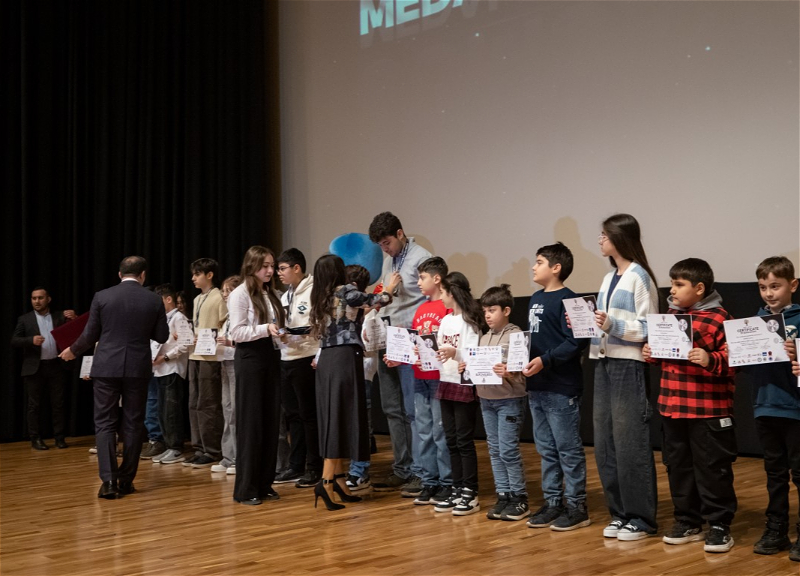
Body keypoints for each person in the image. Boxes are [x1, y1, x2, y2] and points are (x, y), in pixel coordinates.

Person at [642, 258, 737, 553]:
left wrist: (712, 359)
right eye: (672, 283)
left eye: (679, 284)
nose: (672, 289)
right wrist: (651, 352)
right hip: (672, 405)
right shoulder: (669, 318)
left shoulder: (720, 319)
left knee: (712, 468)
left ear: (699, 288)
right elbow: (665, 355)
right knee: (678, 465)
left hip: (707, 409)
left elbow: (737, 360)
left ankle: (719, 524)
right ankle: (687, 519)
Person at [59, 256, 168, 498]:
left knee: (105, 422)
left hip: (107, 366)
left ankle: (108, 481)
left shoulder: (103, 296)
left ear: (120, 274)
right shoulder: (153, 300)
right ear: (143, 275)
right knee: (132, 423)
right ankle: (126, 480)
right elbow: (162, 336)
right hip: (138, 369)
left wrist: (72, 351)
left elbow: (90, 334)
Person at [590, 214, 660, 540]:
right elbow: (604, 323)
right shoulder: (608, 279)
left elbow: (650, 328)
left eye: (604, 235)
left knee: (630, 442)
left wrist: (612, 326)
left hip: (628, 365)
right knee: (605, 443)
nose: (600, 240)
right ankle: (618, 513)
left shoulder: (639, 277)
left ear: (619, 237)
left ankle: (641, 518)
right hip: (604, 364)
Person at [309, 254, 391, 510]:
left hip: (327, 361)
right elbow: (379, 300)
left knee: (333, 417)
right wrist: (390, 287)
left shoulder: (319, 296)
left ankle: (339, 480)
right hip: (345, 357)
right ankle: (325, 481)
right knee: (342, 417)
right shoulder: (345, 291)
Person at [523, 242, 590, 531]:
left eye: (539, 261)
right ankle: (553, 502)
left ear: (556, 267)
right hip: (536, 386)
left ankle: (577, 506)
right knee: (546, 449)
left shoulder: (572, 301)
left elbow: (577, 342)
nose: (534, 267)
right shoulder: (535, 297)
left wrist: (545, 360)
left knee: (568, 449)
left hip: (561, 386)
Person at [368, 212, 431, 495]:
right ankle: (402, 468)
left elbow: (431, 296)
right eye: (381, 245)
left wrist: (390, 293)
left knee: (411, 409)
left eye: (387, 242)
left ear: (400, 233)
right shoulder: (388, 258)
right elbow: (386, 291)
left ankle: (420, 471)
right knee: (392, 408)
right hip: (388, 336)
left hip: (411, 337)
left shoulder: (421, 257)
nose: (385, 248)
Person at [746, 256, 800, 560]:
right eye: (763, 287)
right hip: (764, 406)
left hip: (794, 408)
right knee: (774, 473)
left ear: (792, 285)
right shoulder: (754, 323)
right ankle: (776, 529)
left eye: (775, 286)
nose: (769, 293)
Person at [227, 246, 286, 505]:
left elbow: (274, 328)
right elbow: (236, 333)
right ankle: (246, 488)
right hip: (250, 359)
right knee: (251, 423)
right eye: (265, 266)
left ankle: (264, 482)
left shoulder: (270, 292)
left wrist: (284, 333)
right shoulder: (240, 294)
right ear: (252, 265)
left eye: (272, 265)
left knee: (270, 422)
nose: (270, 271)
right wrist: (265, 328)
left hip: (271, 358)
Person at [432, 272, 483, 516]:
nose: (440, 296)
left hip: (464, 384)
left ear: (451, 293)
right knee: (450, 439)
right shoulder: (445, 321)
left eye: (442, 292)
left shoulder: (469, 321)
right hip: (446, 380)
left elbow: (475, 355)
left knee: (464, 440)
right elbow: (440, 350)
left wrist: (457, 354)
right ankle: (457, 487)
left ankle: (470, 493)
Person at [476, 284, 528, 521]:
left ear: (506, 310)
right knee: (495, 450)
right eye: (485, 310)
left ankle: (519, 497)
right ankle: (503, 494)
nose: (487, 315)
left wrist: (510, 371)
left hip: (509, 400)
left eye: (492, 310)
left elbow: (522, 371)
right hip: (487, 399)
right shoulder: (484, 336)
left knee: (508, 450)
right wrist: (469, 368)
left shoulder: (516, 336)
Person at [407, 257, 452, 507]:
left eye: (422, 277)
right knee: (423, 430)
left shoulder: (445, 307)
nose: (418, 282)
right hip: (419, 375)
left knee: (439, 430)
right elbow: (416, 340)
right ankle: (429, 480)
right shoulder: (421, 308)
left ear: (437, 278)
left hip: (438, 377)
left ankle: (447, 481)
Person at [275, 248, 321, 488]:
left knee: (309, 415)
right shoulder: (285, 295)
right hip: (286, 357)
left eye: (282, 268)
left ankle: (315, 467)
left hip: (306, 357)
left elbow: (315, 326)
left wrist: (290, 332)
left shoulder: (314, 290)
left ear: (296, 268)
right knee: (292, 415)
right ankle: (296, 465)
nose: (278, 273)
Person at [11, 287, 76, 450]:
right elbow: (14, 340)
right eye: (34, 298)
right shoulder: (25, 319)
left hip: (56, 365)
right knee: (34, 405)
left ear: (48, 299)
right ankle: (35, 438)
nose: (37, 301)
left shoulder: (59, 316)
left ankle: (59, 438)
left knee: (58, 404)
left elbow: (76, 332)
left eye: (40, 298)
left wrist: (74, 318)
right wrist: (30, 340)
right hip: (35, 367)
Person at [185, 258, 227, 469]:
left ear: (209, 275)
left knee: (208, 403)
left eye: (197, 274)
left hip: (211, 357)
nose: (193, 278)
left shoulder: (219, 296)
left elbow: (224, 325)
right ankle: (199, 447)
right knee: (194, 403)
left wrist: (211, 336)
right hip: (195, 355)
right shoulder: (196, 299)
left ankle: (212, 450)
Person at [346, 264, 381, 493]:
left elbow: (371, 347)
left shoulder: (372, 314)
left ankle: (360, 472)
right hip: (346, 370)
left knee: (362, 424)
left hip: (364, 372)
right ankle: (351, 468)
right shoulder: (349, 311)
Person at [151, 284, 192, 465]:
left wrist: (165, 357)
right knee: (162, 410)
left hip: (173, 368)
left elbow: (186, 343)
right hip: (160, 370)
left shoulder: (179, 318)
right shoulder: (164, 319)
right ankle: (168, 445)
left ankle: (176, 448)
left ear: (168, 299)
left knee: (172, 410)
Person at [210, 275, 243, 475]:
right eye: (223, 291)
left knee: (236, 411)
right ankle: (228, 455)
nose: (224, 294)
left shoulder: (241, 313)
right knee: (227, 408)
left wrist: (230, 342)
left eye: (228, 290)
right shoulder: (228, 317)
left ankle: (238, 457)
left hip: (236, 362)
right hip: (224, 362)